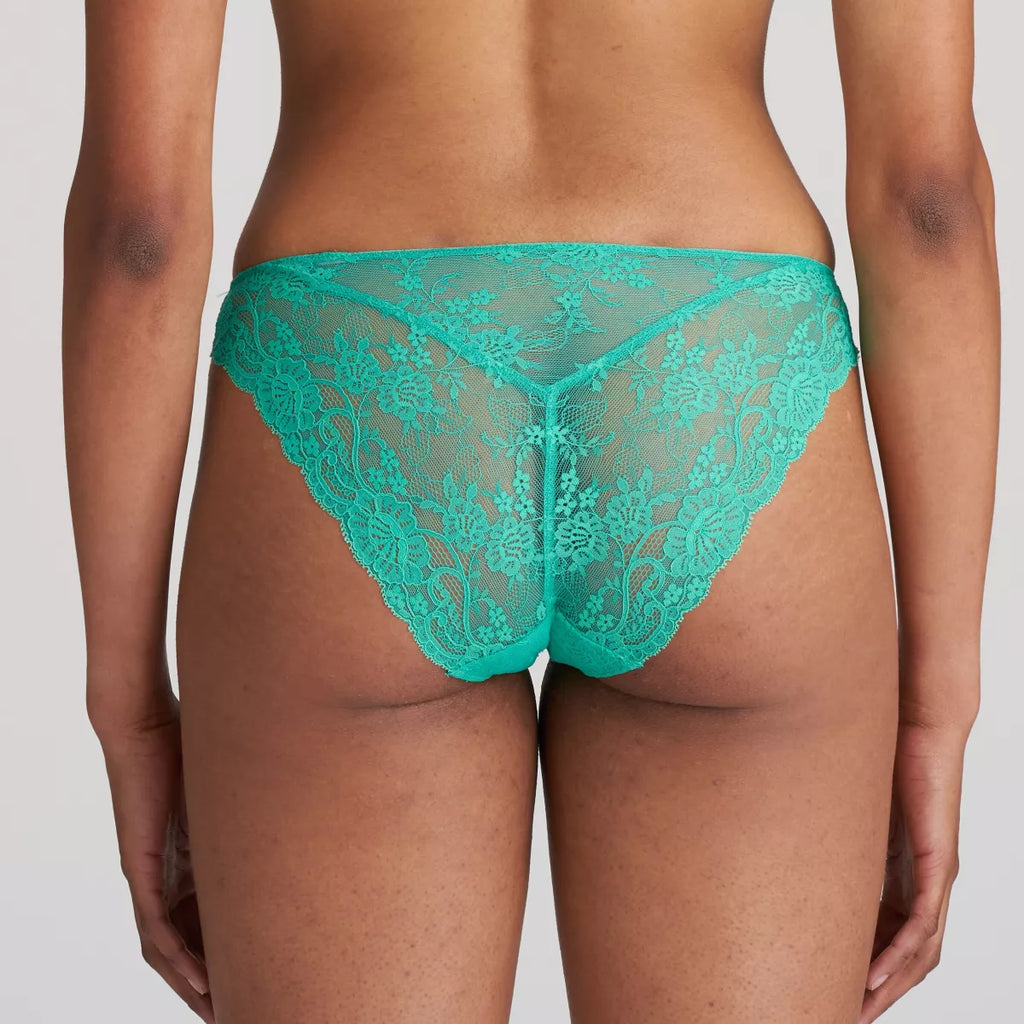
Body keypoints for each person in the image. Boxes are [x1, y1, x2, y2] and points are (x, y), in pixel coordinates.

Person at [62, 1, 999, 1022]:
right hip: (718, 367)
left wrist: (130, 707)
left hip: (358, 364)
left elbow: (139, 235)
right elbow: (929, 204)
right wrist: (936, 702)